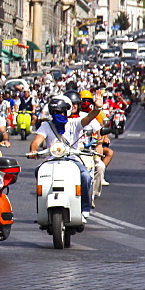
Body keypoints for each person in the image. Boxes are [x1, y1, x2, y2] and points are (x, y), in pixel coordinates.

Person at [28, 92, 102, 222]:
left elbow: (89, 118)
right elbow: (36, 141)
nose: (58, 115)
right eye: (55, 112)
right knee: (38, 172)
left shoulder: (75, 123)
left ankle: (84, 208)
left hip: (73, 159)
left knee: (85, 176)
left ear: (67, 112)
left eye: (61, 112)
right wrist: (34, 150)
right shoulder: (46, 125)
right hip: (51, 160)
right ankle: (42, 208)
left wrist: (97, 109)